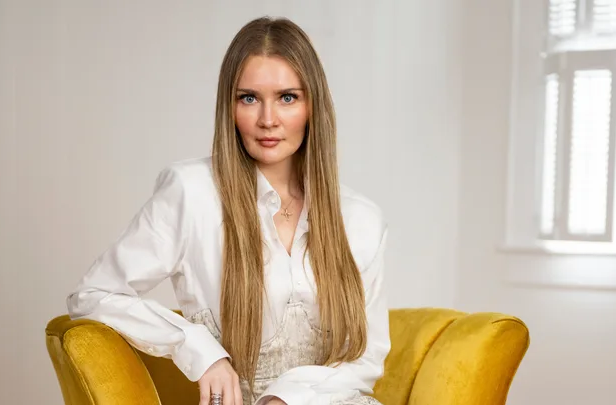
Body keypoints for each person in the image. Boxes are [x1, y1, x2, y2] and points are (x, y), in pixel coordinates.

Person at [67, 16, 390, 405]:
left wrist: (286, 398)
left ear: (312, 106)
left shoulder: (361, 219)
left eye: (288, 97)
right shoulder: (192, 194)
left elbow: (365, 359)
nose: (267, 119)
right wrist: (199, 349)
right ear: (229, 106)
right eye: (249, 98)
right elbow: (93, 294)